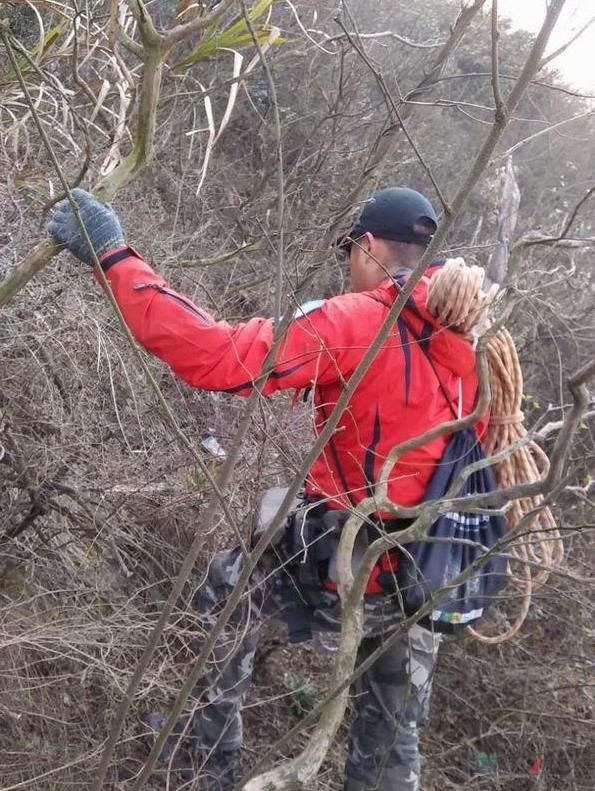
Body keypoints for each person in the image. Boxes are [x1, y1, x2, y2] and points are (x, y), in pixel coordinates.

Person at [47, 186, 485, 791]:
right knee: (392, 729)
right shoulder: (479, 341)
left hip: (350, 557)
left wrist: (113, 257)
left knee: (231, 586)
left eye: (349, 256)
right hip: (430, 565)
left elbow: (215, 357)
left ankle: (204, 766)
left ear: (366, 246)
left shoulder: (358, 321)